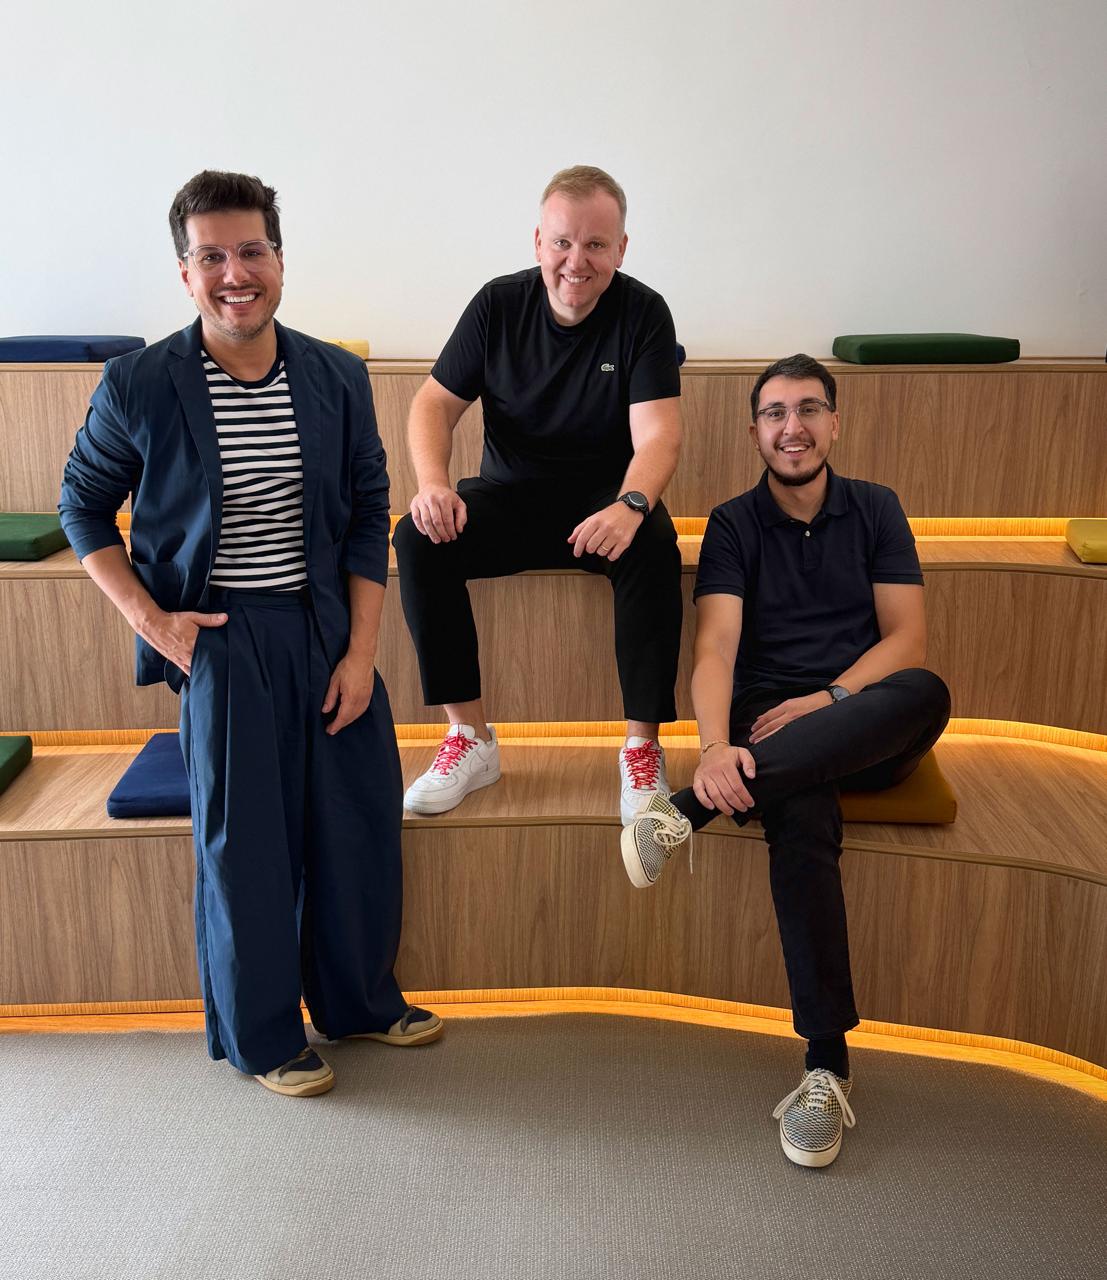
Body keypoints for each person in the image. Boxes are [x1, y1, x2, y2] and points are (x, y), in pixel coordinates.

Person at [59, 170, 441, 1098]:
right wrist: (154, 622)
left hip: (326, 626)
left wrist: (361, 653)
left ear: (279, 258)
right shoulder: (139, 383)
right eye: (212, 257)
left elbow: (368, 512)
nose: (236, 274)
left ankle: (357, 1002)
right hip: (223, 638)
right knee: (247, 847)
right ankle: (264, 1035)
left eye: (252, 251)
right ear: (185, 274)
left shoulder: (335, 375)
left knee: (355, 823)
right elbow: (81, 507)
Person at [620, 354, 950, 1167]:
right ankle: (825, 1066)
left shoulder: (876, 508)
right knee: (799, 812)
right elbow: (714, 649)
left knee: (926, 689)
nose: (791, 427)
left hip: (861, 717)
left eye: (807, 410)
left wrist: (828, 700)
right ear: (754, 431)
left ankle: (685, 812)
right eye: (774, 413)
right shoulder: (733, 523)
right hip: (764, 729)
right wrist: (713, 745)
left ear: (834, 423)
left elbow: (905, 639)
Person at [393, 165, 683, 822]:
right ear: (537, 243)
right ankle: (470, 737)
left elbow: (659, 434)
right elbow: (433, 404)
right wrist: (433, 484)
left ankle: (642, 750)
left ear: (621, 249)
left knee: (655, 543)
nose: (576, 261)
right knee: (417, 536)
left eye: (595, 244)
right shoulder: (497, 304)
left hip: (606, 508)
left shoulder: (643, 312)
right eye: (562, 242)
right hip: (510, 499)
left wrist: (631, 504)